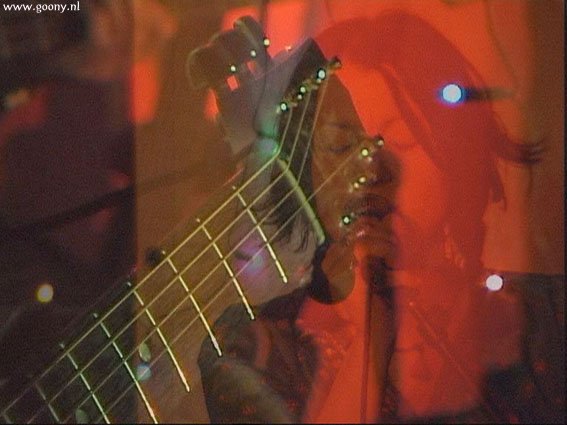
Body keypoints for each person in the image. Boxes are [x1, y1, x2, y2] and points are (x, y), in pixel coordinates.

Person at [198, 11, 564, 423]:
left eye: (398, 141)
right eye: (341, 147)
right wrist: (371, 335)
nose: (369, 171)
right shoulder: (256, 348)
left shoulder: (544, 322)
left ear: (453, 153)